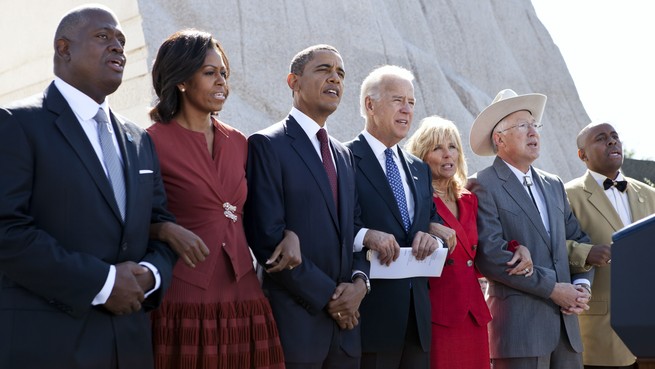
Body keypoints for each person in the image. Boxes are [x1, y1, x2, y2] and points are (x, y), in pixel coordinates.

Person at [0, 4, 177, 368]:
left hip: (130, 344)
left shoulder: (139, 140)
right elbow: (7, 229)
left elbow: (159, 226)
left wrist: (152, 274)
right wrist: (103, 282)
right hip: (50, 344)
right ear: (64, 48)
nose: (117, 46)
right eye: (103, 37)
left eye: (121, 40)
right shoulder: (16, 124)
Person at [146, 29, 296, 369]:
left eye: (224, 74)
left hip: (245, 296)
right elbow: (131, 217)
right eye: (210, 73)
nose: (221, 83)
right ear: (182, 80)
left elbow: (257, 212)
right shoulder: (149, 142)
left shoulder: (240, 142)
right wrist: (163, 230)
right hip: (184, 298)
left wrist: (290, 233)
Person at [244, 44, 368, 369]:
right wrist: (332, 297)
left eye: (341, 73)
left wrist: (359, 284)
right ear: (293, 82)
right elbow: (267, 238)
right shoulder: (266, 145)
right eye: (324, 69)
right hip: (295, 325)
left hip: (345, 329)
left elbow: (355, 231)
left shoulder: (343, 155)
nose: (335, 78)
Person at [468, 89, 595, 369]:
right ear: (499, 139)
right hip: (520, 333)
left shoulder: (554, 184)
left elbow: (578, 241)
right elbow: (491, 255)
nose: (533, 131)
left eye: (535, 125)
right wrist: (553, 289)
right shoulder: (482, 184)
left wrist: (581, 286)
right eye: (522, 125)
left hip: (568, 332)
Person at [405, 115, 534, 369]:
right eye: (437, 148)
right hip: (439, 315)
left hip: (474, 314)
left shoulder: (469, 199)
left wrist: (516, 247)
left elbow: (480, 252)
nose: (447, 155)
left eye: (452, 147)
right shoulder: (414, 199)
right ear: (421, 156)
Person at [565, 122, 655, 369]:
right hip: (599, 331)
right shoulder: (566, 194)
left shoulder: (649, 194)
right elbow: (550, 245)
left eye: (615, 137)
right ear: (582, 155)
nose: (612, 141)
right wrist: (586, 253)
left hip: (649, 325)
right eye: (601, 138)